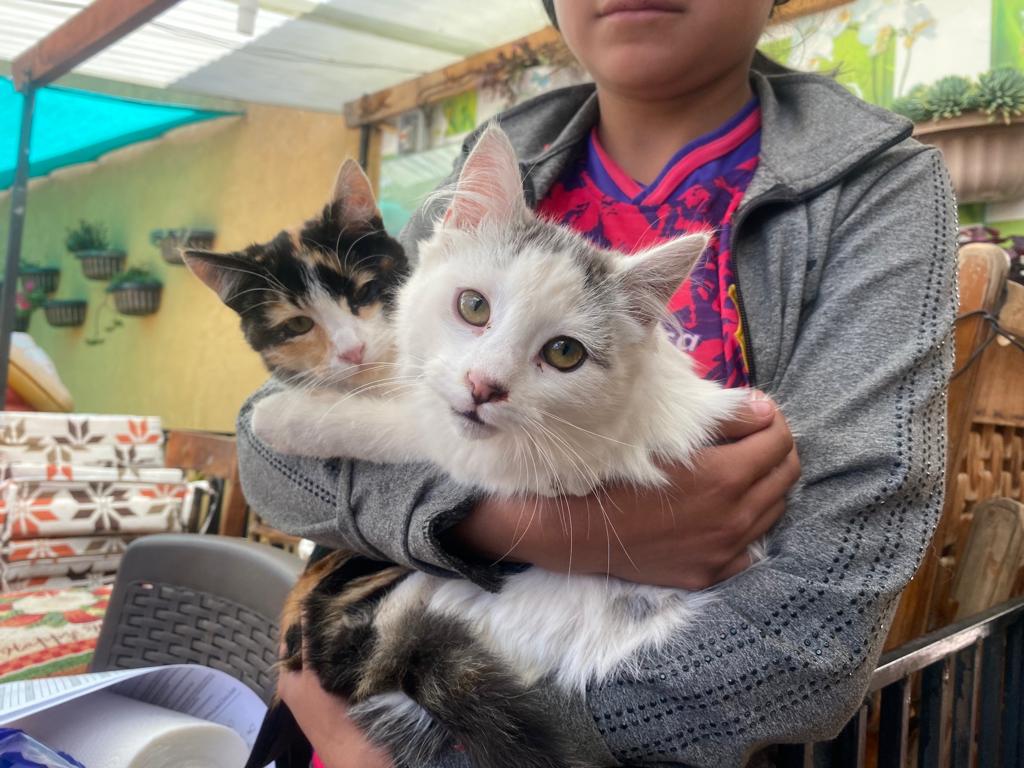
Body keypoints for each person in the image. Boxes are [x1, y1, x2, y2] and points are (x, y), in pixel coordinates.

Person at [236, 0, 957, 765]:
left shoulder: (878, 190)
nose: (483, 379)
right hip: (357, 696)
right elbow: (274, 453)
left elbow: (814, 640)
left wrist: (421, 748)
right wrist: (514, 525)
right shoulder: (501, 160)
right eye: (475, 308)